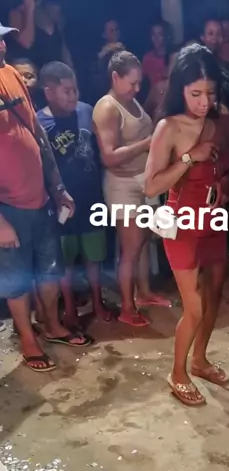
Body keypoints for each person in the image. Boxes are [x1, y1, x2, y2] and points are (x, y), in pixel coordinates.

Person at [145, 44, 229, 406]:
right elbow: (151, 186)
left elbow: (225, 166)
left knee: (214, 293)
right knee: (193, 306)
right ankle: (177, 372)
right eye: (196, 93)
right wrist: (188, 157)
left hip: (214, 218)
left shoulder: (220, 119)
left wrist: (223, 184)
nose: (204, 101)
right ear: (180, 88)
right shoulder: (168, 127)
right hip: (181, 224)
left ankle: (200, 359)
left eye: (210, 92)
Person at [0, 25, 90, 372]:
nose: (3, 44)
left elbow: (37, 133)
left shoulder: (11, 74)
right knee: (17, 279)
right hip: (8, 207)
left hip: (40, 199)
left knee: (51, 271)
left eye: (3, 37)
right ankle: (28, 339)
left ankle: (51, 325)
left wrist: (57, 186)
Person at [93, 50, 170, 327]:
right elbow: (108, 156)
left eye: (139, 83)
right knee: (131, 248)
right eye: (132, 83)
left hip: (144, 181)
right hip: (122, 184)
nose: (137, 88)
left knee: (144, 242)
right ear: (115, 77)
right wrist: (147, 143)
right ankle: (127, 307)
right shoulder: (108, 107)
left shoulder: (130, 100)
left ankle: (144, 293)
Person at [37, 61, 112, 328]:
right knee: (66, 260)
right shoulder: (40, 122)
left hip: (91, 198)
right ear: (48, 92)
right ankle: (69, 309)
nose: (72, 96)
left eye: (75, 90)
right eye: (66, 91)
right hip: (61, 205)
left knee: (94, 256)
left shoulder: (86, 111)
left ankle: (98, 301)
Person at [6, 0, 72, 68]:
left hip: (52, 71)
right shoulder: (18, 14)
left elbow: (64, 53)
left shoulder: (57, 23)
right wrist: (29, 8)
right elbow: (26, 42)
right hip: (28, 69)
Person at [142, 19, 170, 89]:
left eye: (160, 34)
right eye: (153, 34)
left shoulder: (172, 57)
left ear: (166, 36)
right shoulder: (147, 58)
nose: (156, 38)